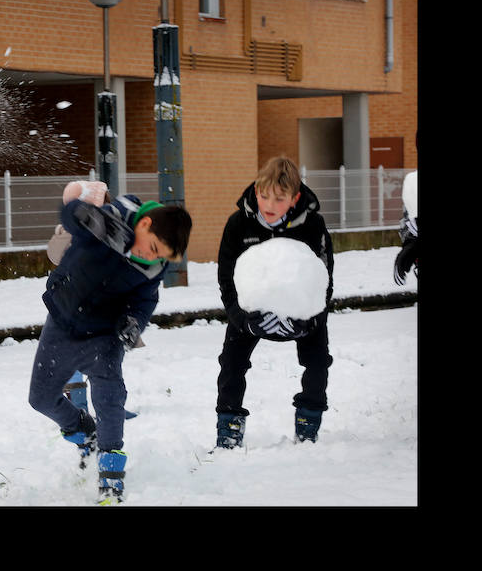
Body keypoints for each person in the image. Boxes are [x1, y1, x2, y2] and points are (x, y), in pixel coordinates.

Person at [28, 190, 192, 503]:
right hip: (62, 322)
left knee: (110, 398)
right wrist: (83, 214)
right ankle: (82, 429)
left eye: (161, 256)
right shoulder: (110, 220)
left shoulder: (152, 268)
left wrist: (134, 323)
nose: (152, 256)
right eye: (153, 247)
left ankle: (111, 476)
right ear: (144, 223)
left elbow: (145, 300)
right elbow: (69, 218)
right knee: (40, 398)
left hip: (105, 334)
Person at [215, 156, 334, 448]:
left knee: (318, 361)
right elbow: (226, 279)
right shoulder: (238, 224)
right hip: (250, 311)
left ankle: (308, 426)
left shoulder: (313, 224)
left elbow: (324, 279)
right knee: (231, 363)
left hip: (303, 312)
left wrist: (310, 320)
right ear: (256, 191)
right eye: (264, 195)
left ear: (293, 199)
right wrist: (242, 319)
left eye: (279, 199)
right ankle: (228, 431)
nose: (269, 204)